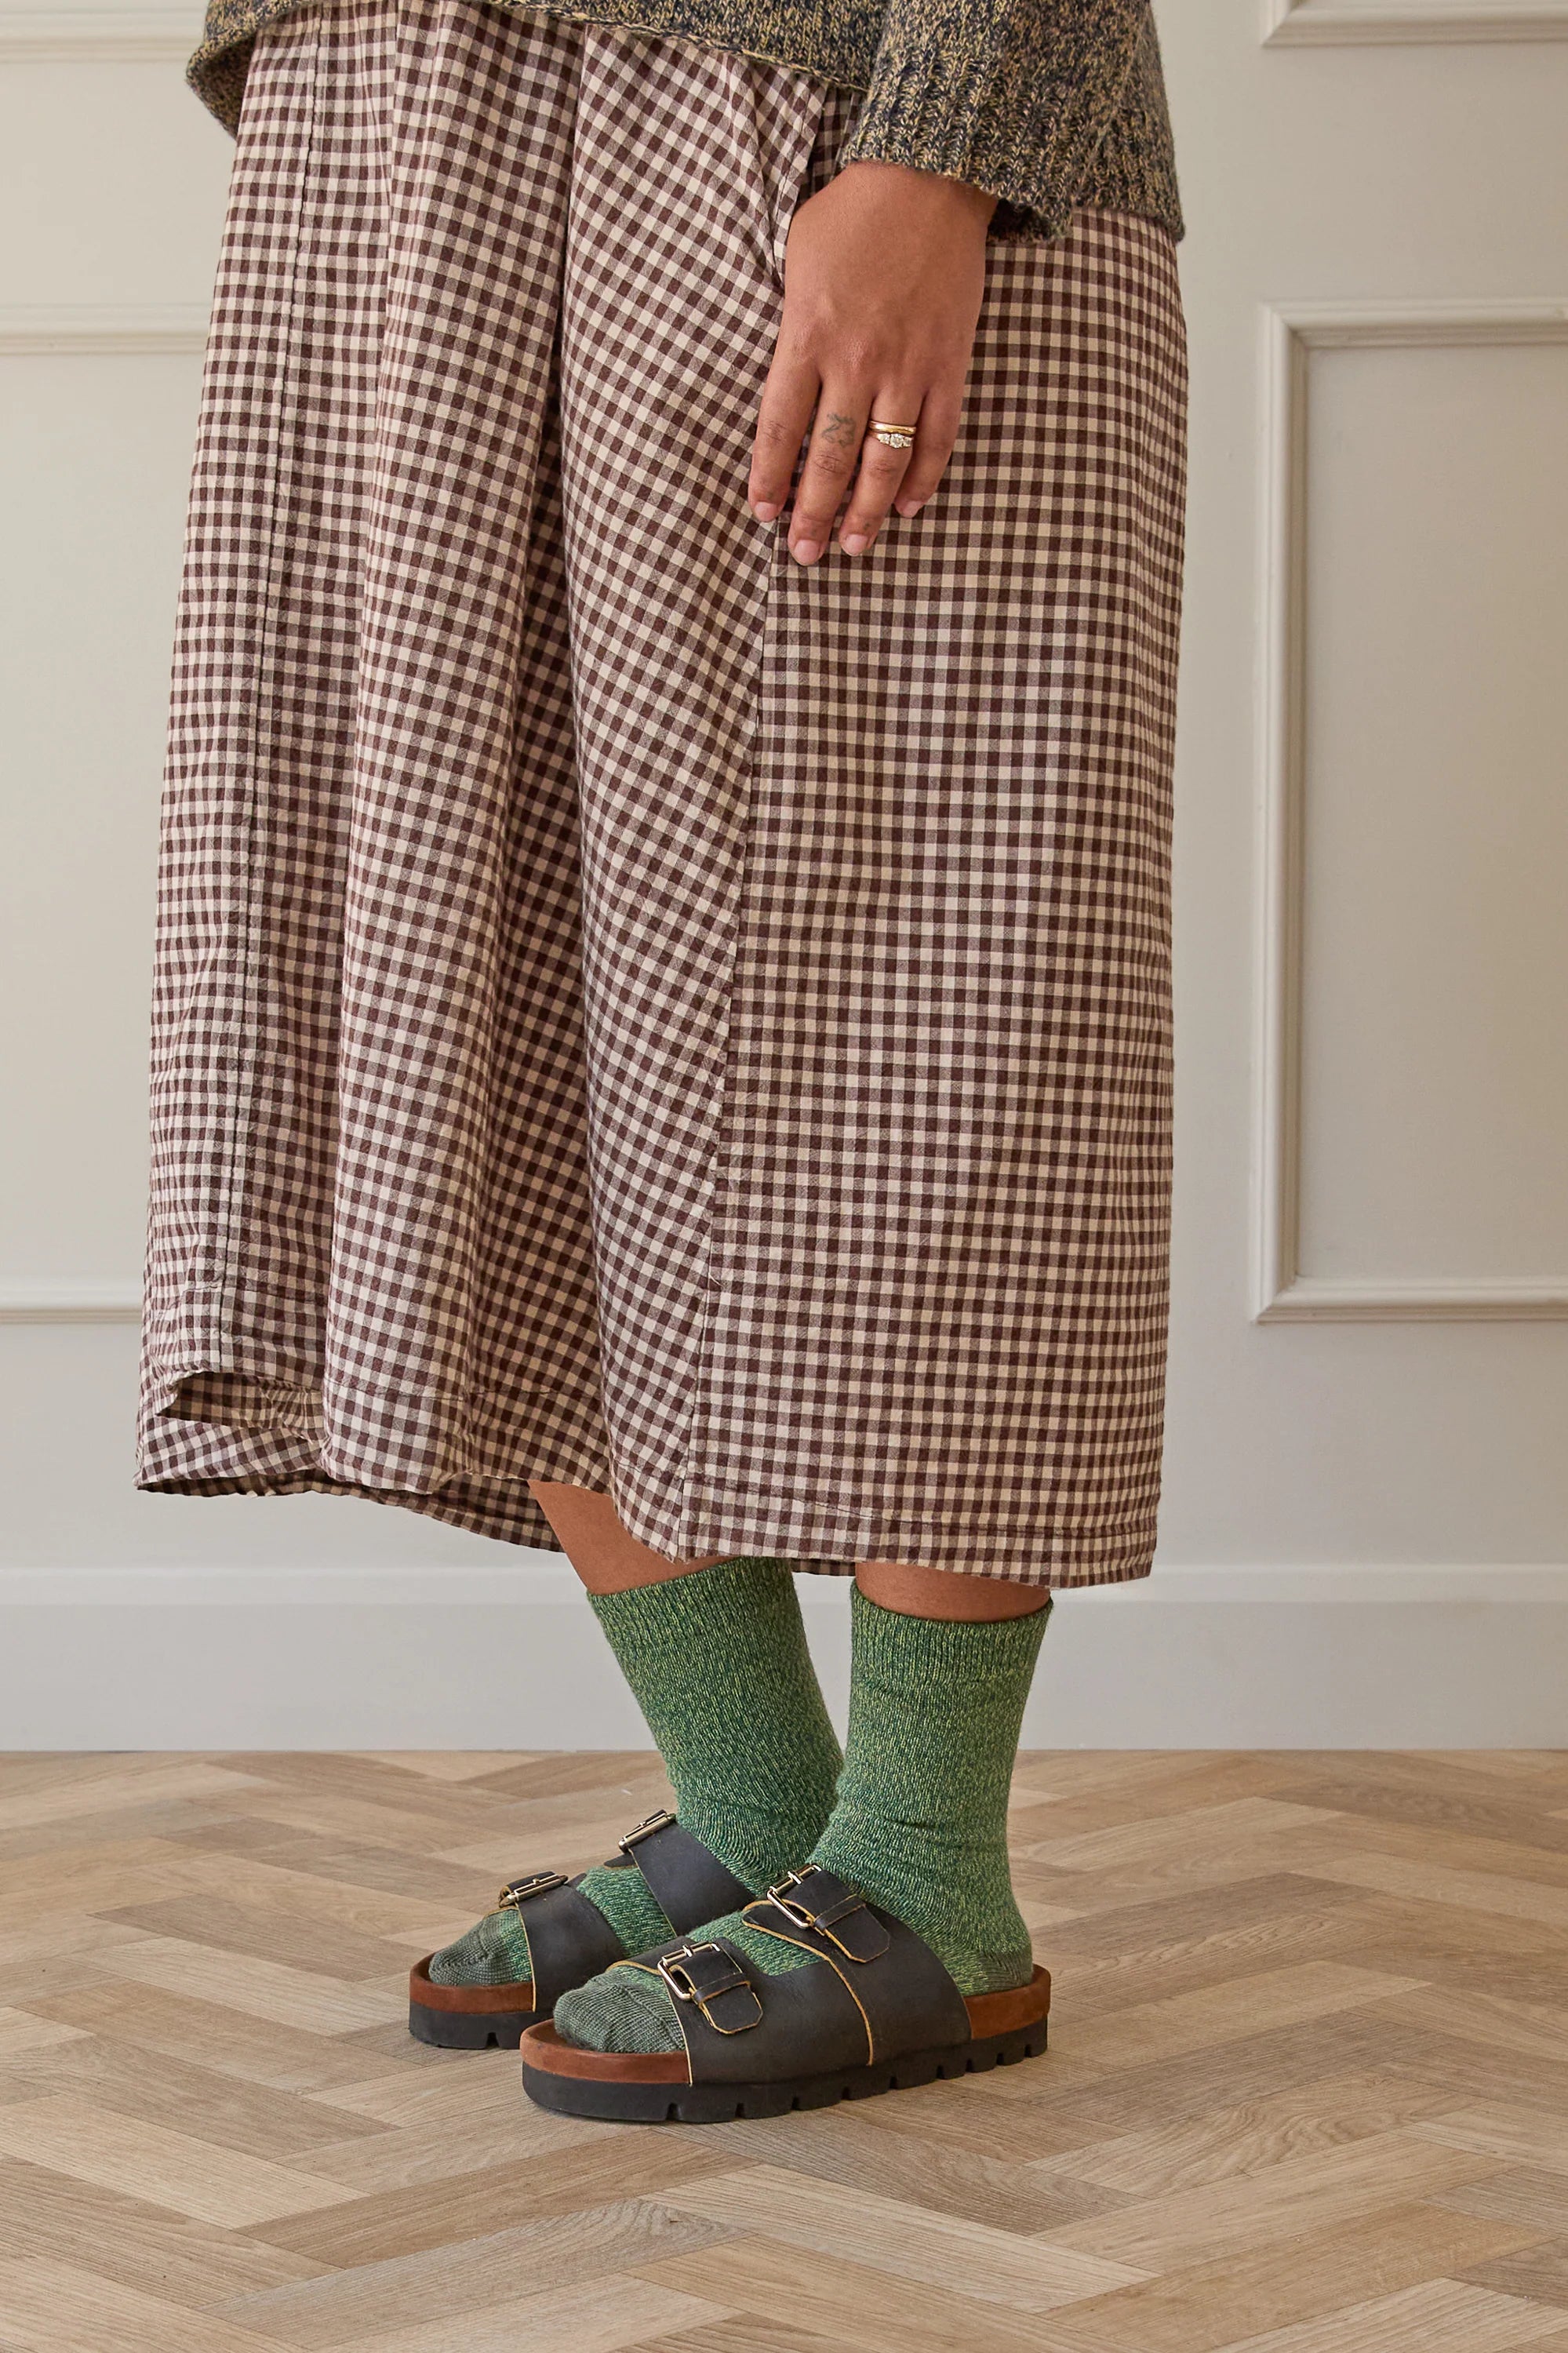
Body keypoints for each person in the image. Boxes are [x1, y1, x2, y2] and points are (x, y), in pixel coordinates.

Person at [137, 0, 1186, 2118]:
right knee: (476, 954)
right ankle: (759, 1799)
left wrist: (948, 134)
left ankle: (927, 1871)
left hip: (831, 102)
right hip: (399, 115)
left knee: (937, 951)